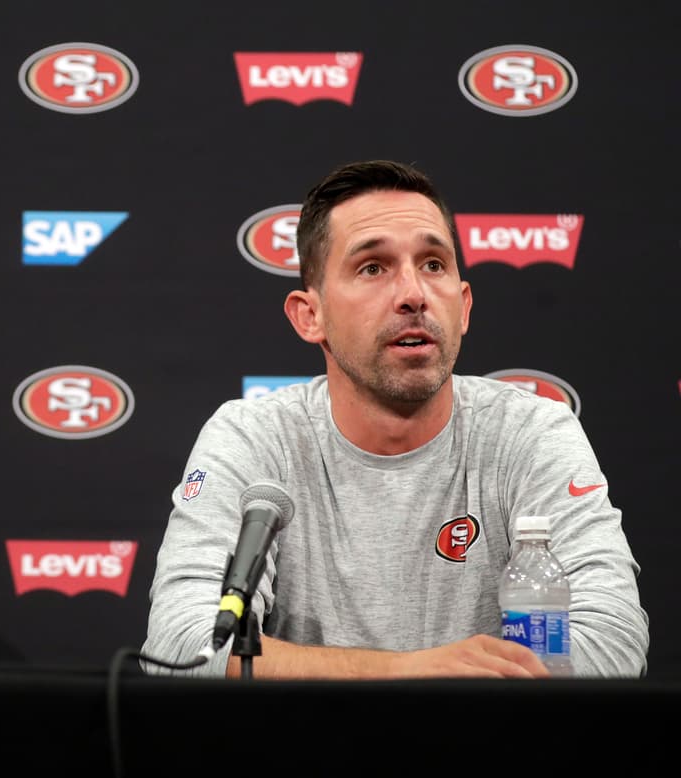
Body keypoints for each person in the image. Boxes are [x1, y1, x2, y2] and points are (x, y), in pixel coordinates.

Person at [141, 160, 648, 679]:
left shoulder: (531, 431)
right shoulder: (254, 437)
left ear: (464, 306)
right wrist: (415, 673)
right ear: (309, 315)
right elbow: (182, 646)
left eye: (433, 264)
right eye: (373, 268)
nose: (413, 294)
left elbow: (611, 645)